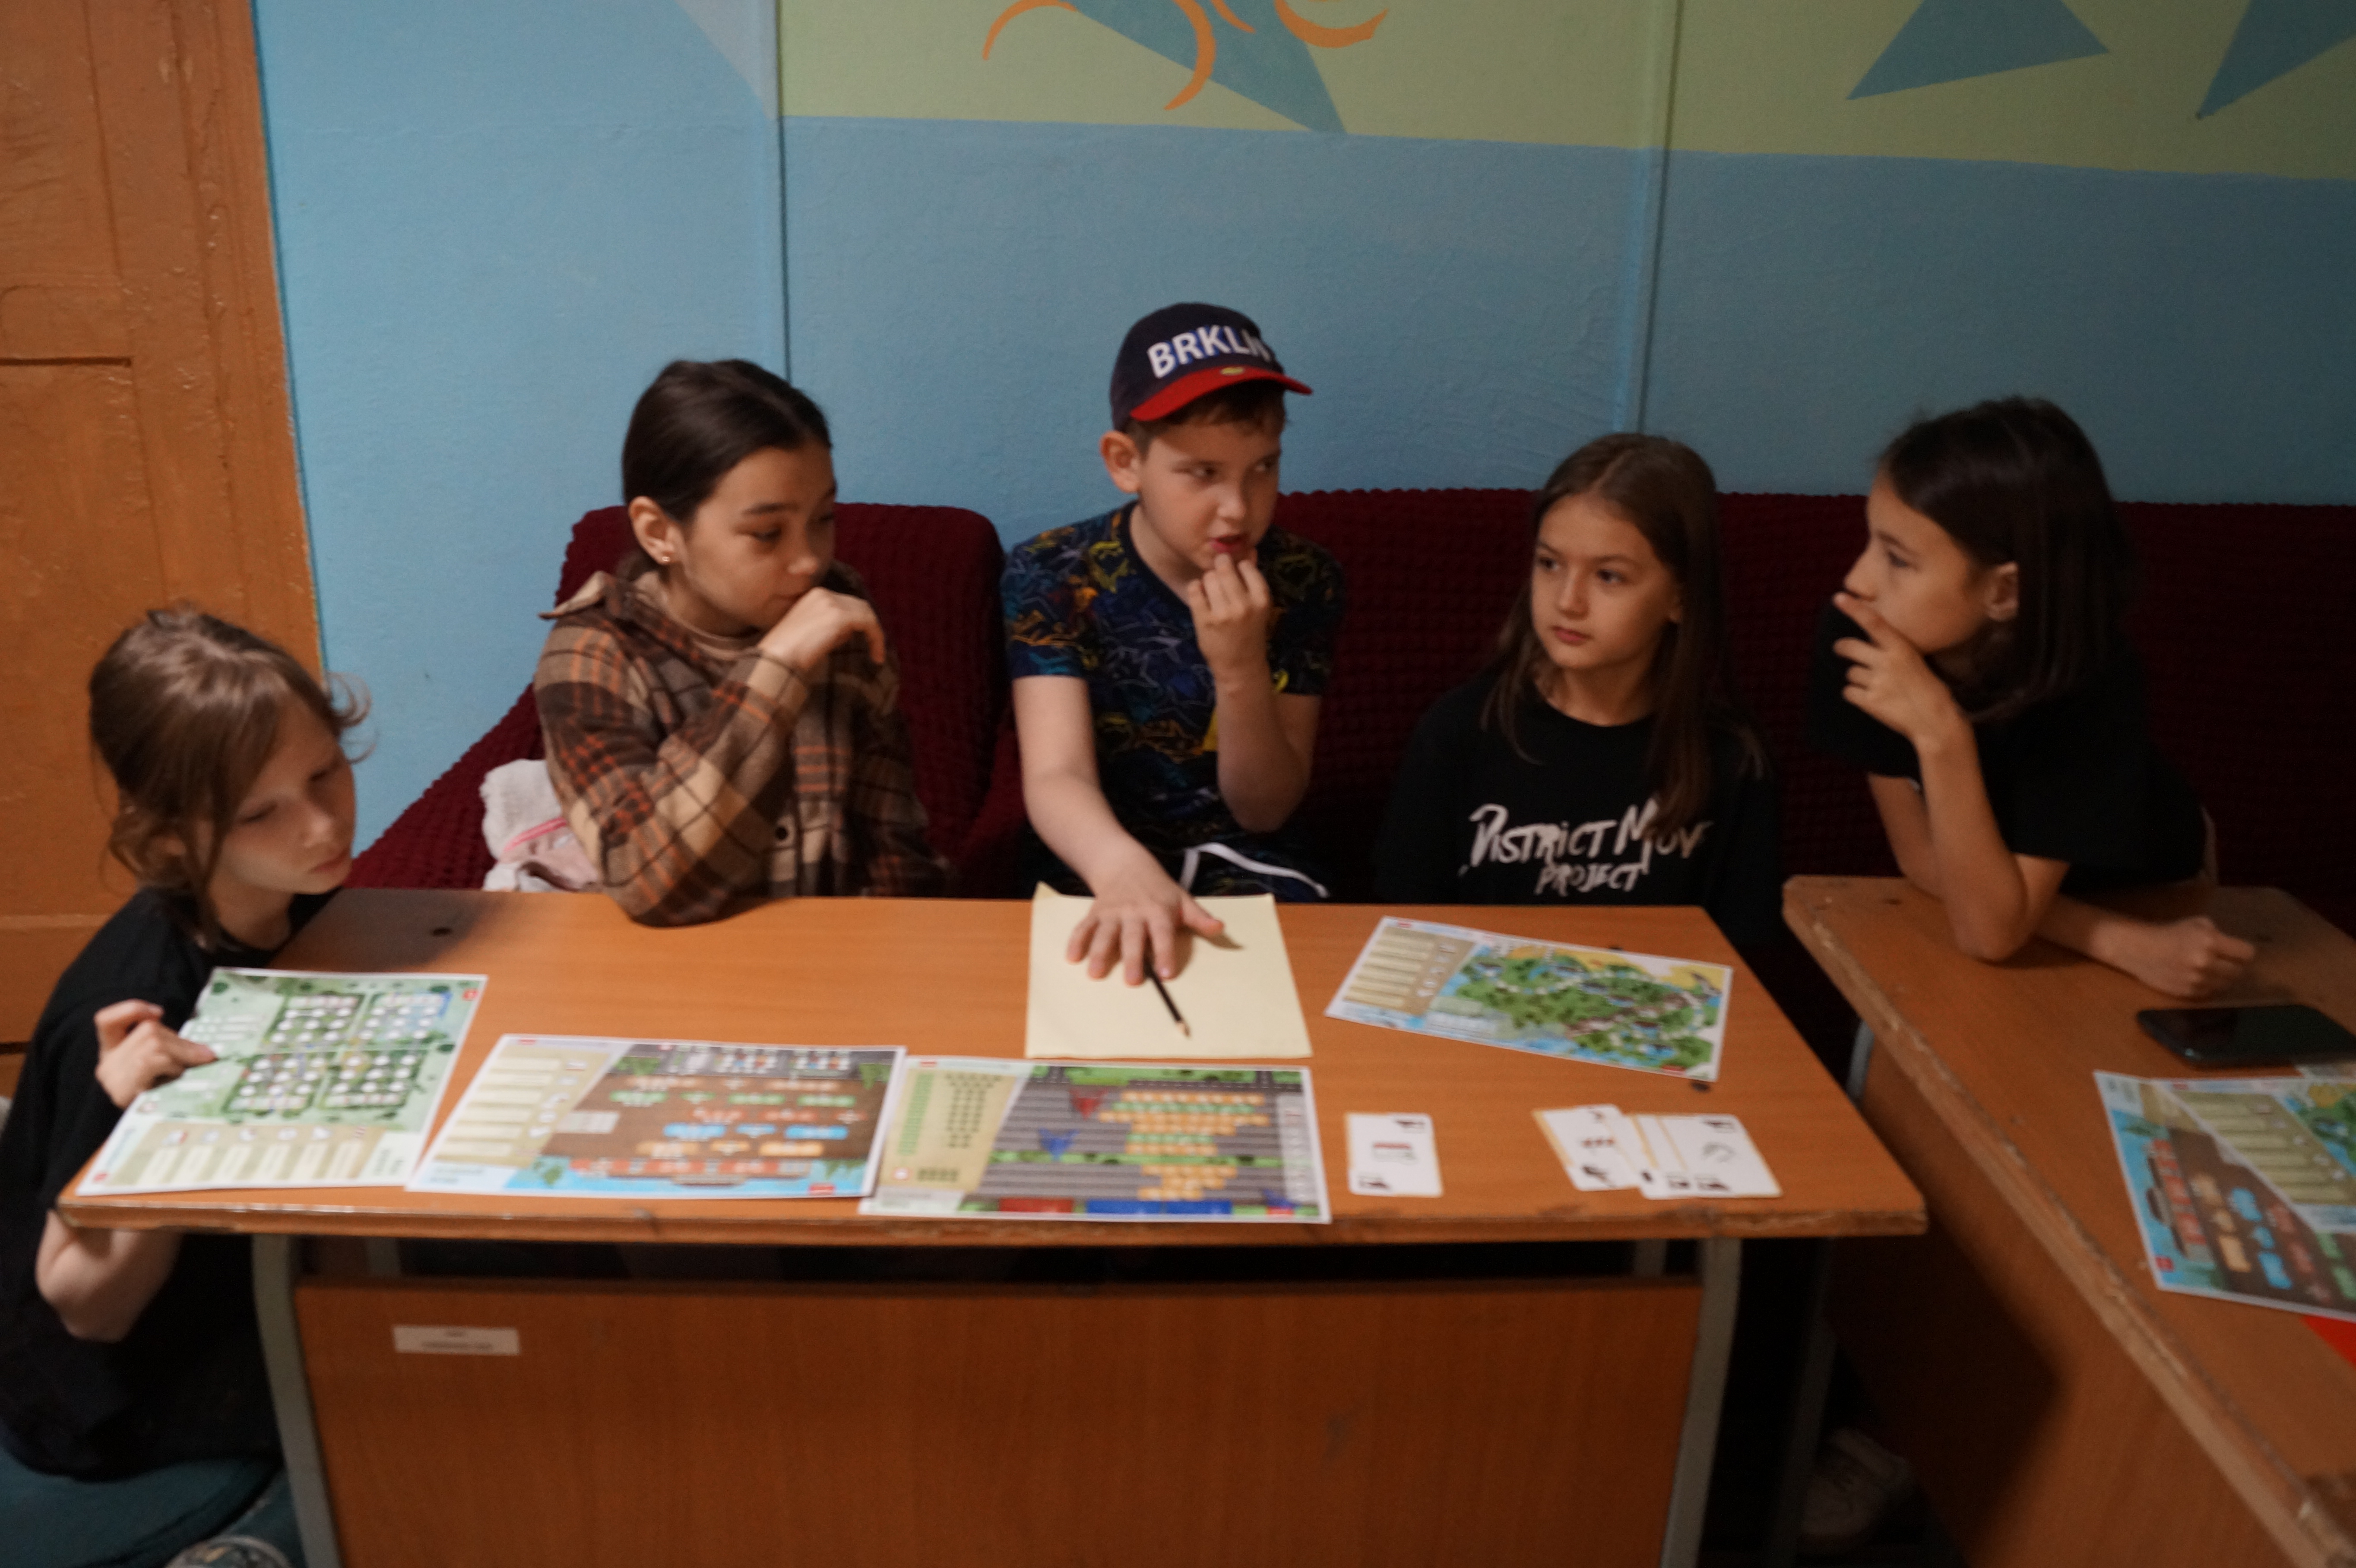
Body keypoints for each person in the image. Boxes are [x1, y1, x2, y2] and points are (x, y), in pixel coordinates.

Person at [0, 609, 362, 1568]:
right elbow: (85, 1310)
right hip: (116, 1387)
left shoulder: (299, 896)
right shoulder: (134, 1010)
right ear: (168, 842)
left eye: (326, 772)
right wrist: (152, 1135)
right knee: (423, 1377)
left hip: (238, 1274)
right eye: (259, 813)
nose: (323, 824)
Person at [1808, 396, 2252, 996]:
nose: (1857, 580)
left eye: (1896, 559)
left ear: (2005, 592)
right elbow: (1925, 864)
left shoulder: (2090, 681)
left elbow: (1991, 932)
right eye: (1870, 541)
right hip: (2014, 910)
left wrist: (1940, 733)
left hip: (2150, 891)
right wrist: (2118, 942)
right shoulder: (1861, 634)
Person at [1003, 303, 1345, 985]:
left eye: (1264, 467)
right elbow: (1056, 773)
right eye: (1203, 473)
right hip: (1095, 858)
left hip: (1253, 869)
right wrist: (1120, 867)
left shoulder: (1305, 579)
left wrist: (1240, 668)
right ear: (1126, 462)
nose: (1239, 508)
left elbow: (1265, 809)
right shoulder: (1053, 572)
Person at [537, 359, 948, 925]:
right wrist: (778, 666)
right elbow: (643, 879)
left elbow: (890, 841)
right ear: (659, 532)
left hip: (828, 950)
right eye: (767, 533)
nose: (809, 561)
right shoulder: (594, 649)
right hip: (667, 960)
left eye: (824, 518)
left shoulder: (839, 612)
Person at [1373, 433, 1780, 947]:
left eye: (1608, 576)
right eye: (1549, 564)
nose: (1567, 601)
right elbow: (1401, 918)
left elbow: (1744, 950)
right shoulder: (1460, 731)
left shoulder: (1731, 759)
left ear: (1680, 596)